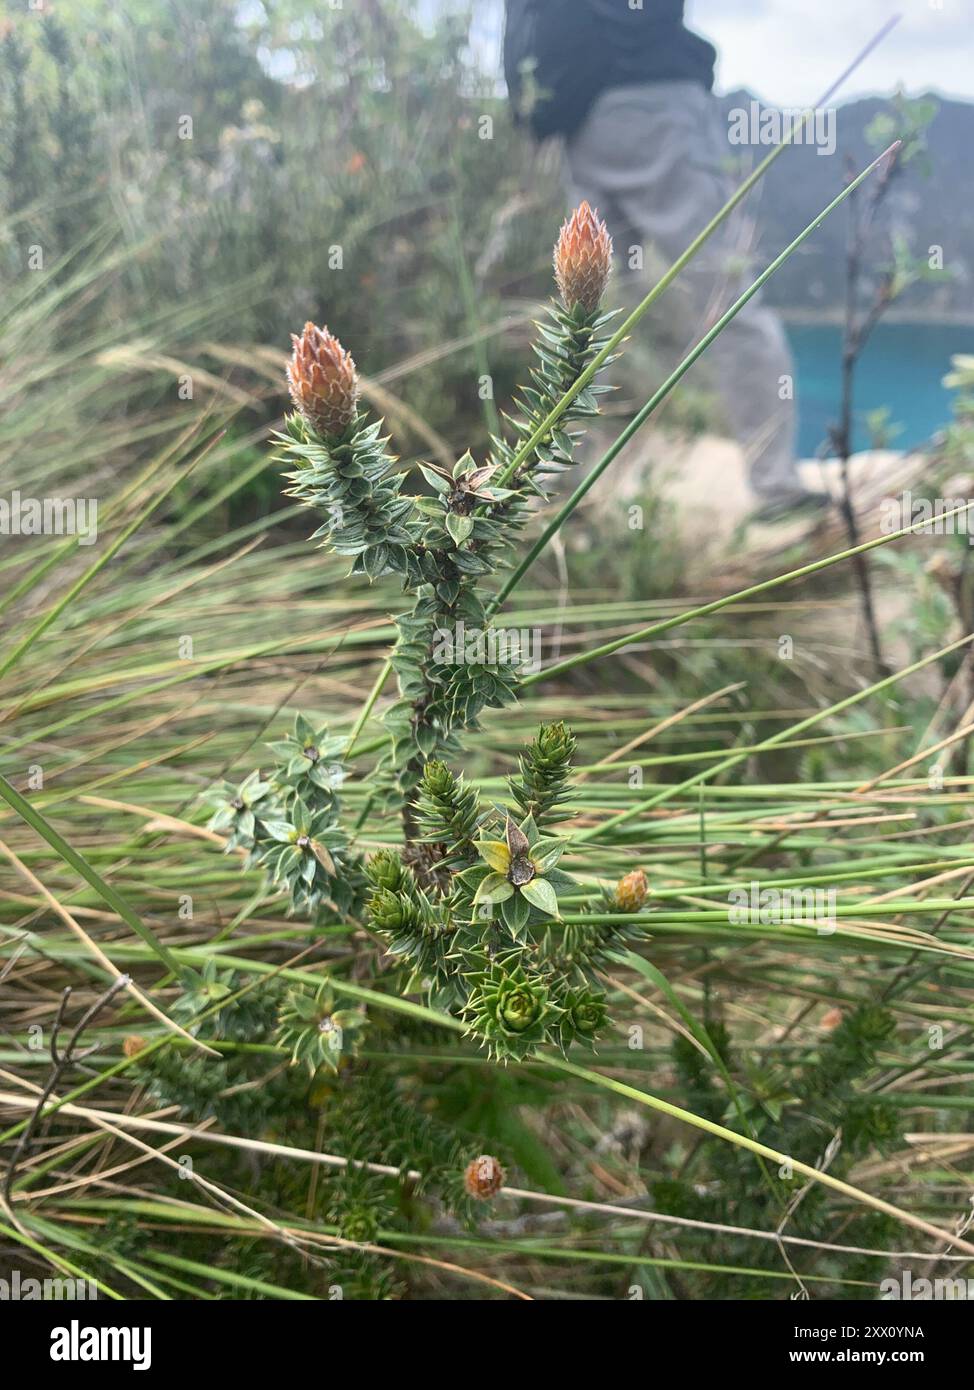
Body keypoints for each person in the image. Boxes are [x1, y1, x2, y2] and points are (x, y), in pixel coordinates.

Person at [504, 0, 813, 514]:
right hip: (648, 98)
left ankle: (555, 491)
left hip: (574, 114)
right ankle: (776, 484)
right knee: (726, 296)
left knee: (584, 314)